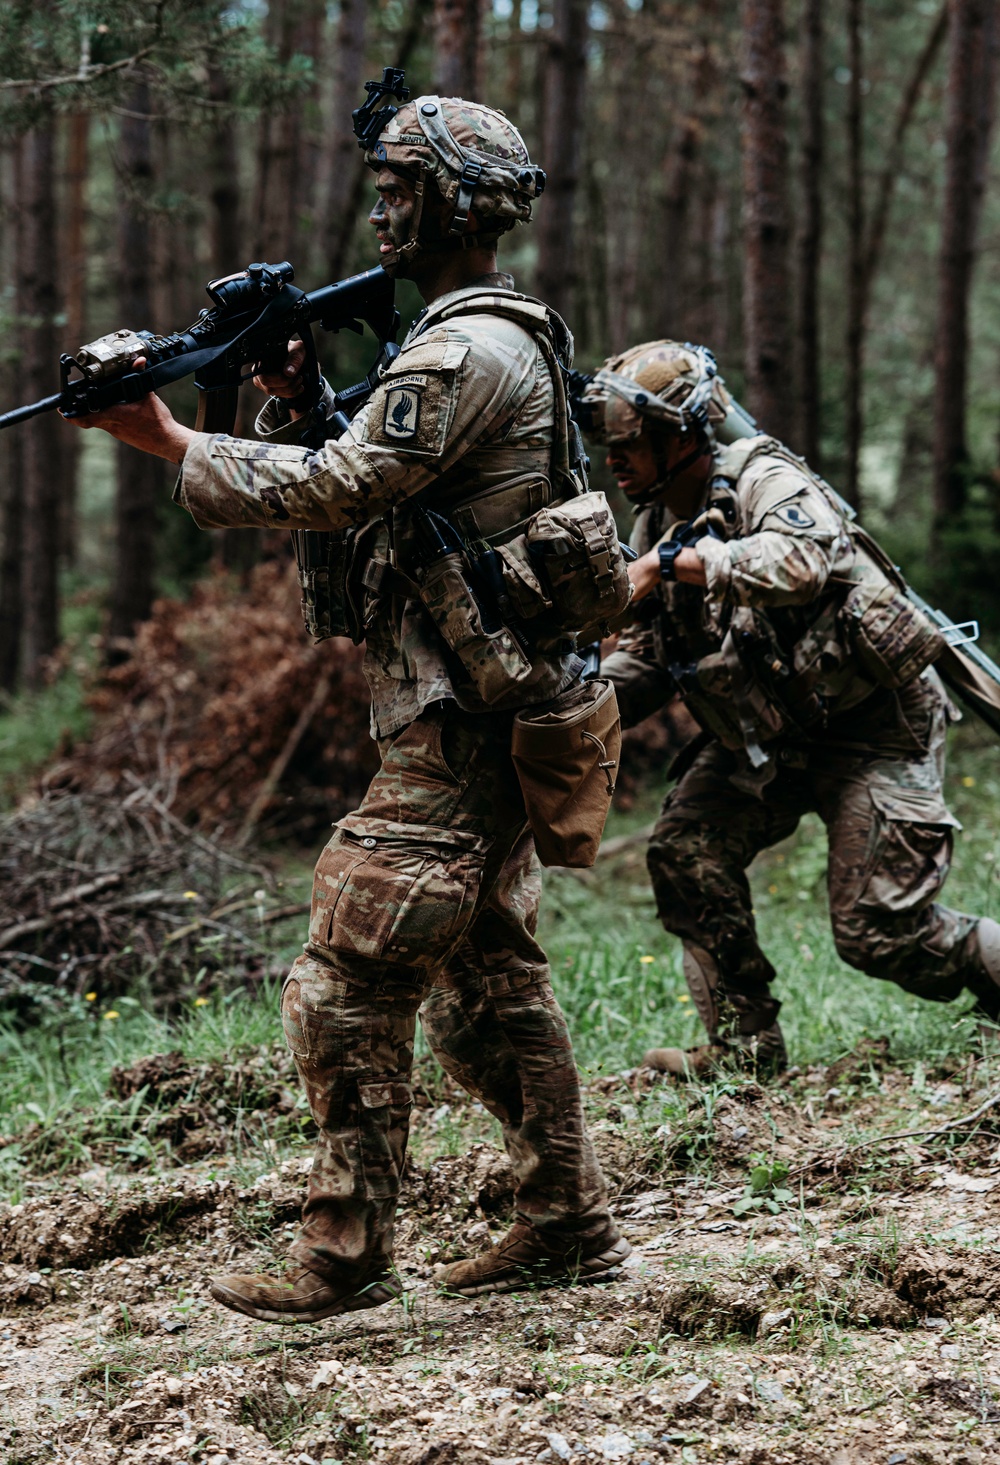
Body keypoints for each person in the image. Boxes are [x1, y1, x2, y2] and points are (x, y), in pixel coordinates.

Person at [67, 91, 629, 1322]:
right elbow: (371, 477)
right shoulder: (471, 339)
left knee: (345, 980)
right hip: (478, 702)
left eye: (401, 190)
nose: (381, 211)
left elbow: (344, 484)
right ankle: (567, 1219)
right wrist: (290, 391)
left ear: (454, 203)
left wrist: (167, 440)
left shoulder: (463, 349)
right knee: (489, 987)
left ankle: (344, 1251)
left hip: (466, 719)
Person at [580, 340, 1000, 1075]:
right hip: (773, 738)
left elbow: (803, 563)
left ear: (681, 435)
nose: (614, 457)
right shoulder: (653, 523)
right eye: (608, 442)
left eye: (630, 441)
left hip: (877, 729)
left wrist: (687, 561)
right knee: (687, 847)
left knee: (877, 930)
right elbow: (650, 657)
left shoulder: (766, 481)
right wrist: (575, 704)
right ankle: (744, 1048)